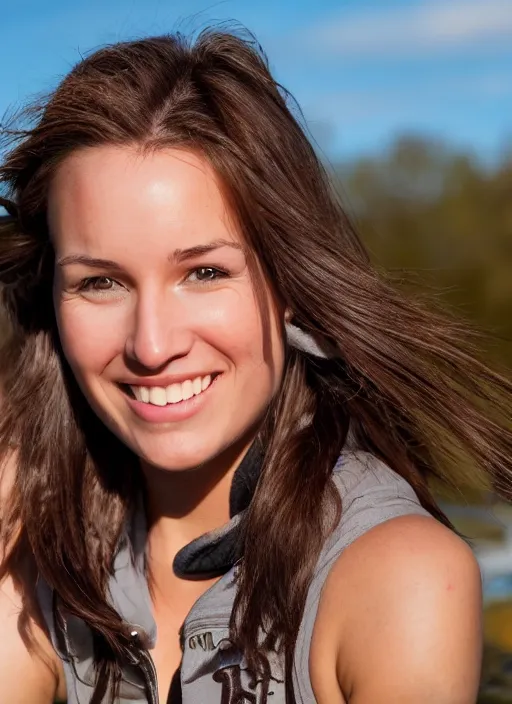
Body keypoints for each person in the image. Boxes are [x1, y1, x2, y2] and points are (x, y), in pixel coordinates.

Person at [0, 28, 509, 704]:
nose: (152, 345)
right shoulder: (29, 531)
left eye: (205, 272)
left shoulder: (401, 576)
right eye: (101, 283)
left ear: (290, 287)